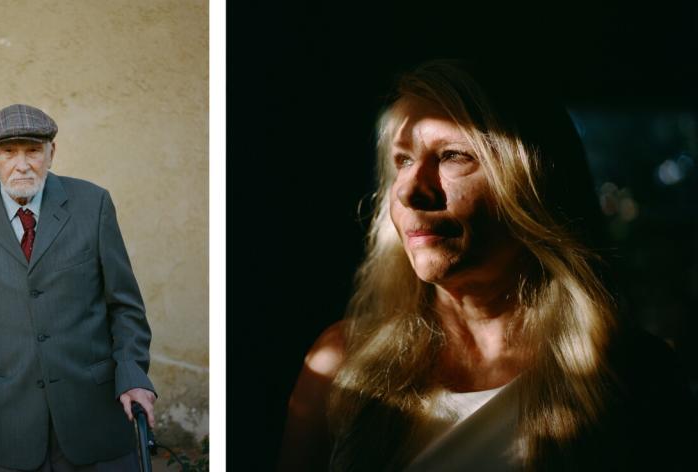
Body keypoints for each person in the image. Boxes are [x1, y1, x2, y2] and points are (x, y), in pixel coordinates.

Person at [279, 60, 697, 471]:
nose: (409, 191)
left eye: (452, 156)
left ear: (534, 187)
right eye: (402, 160)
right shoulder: (339, 363)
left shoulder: (634, 377)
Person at [0, 104, 156, 471]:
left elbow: (124, 305)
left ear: (52, 152)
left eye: (33, 150)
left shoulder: (92, 203)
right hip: (13, 421)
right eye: (8, 152)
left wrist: (133, 376)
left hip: (96, 412)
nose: (22, 164)